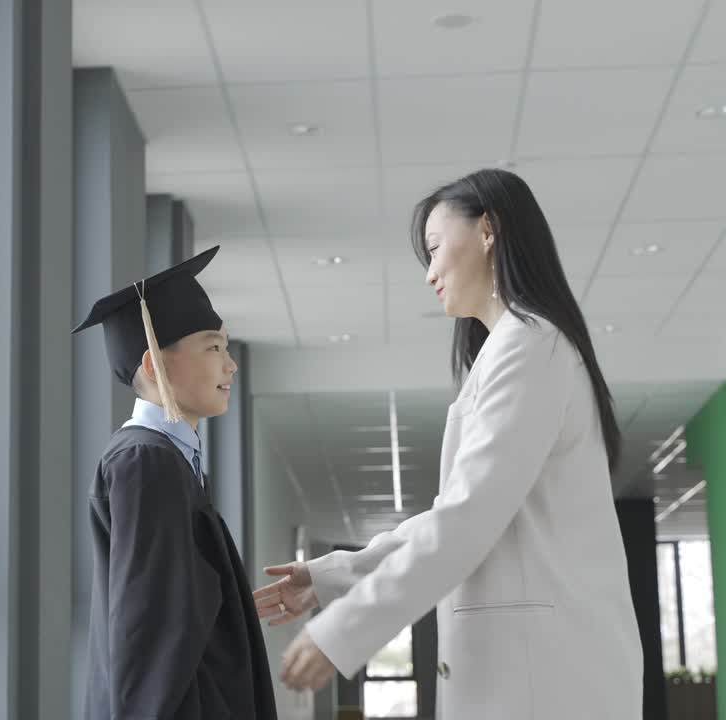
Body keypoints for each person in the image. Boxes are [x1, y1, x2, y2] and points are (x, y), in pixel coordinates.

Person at [253, 169, 643, 719]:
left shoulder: (531, 347)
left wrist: (343, 630)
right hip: (530, 675)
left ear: (488, 230)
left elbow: (467, 518)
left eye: (434, 248)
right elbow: (456, 513)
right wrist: (332, 576)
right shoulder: (514, 350)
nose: (429, 272)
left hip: (546, 681)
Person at [74, 246, 278, 720]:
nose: (230, 365)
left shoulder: (165, 459)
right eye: (213, 347)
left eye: (226, 347)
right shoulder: (147, 461)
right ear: (153, 364)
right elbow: (147, 639)